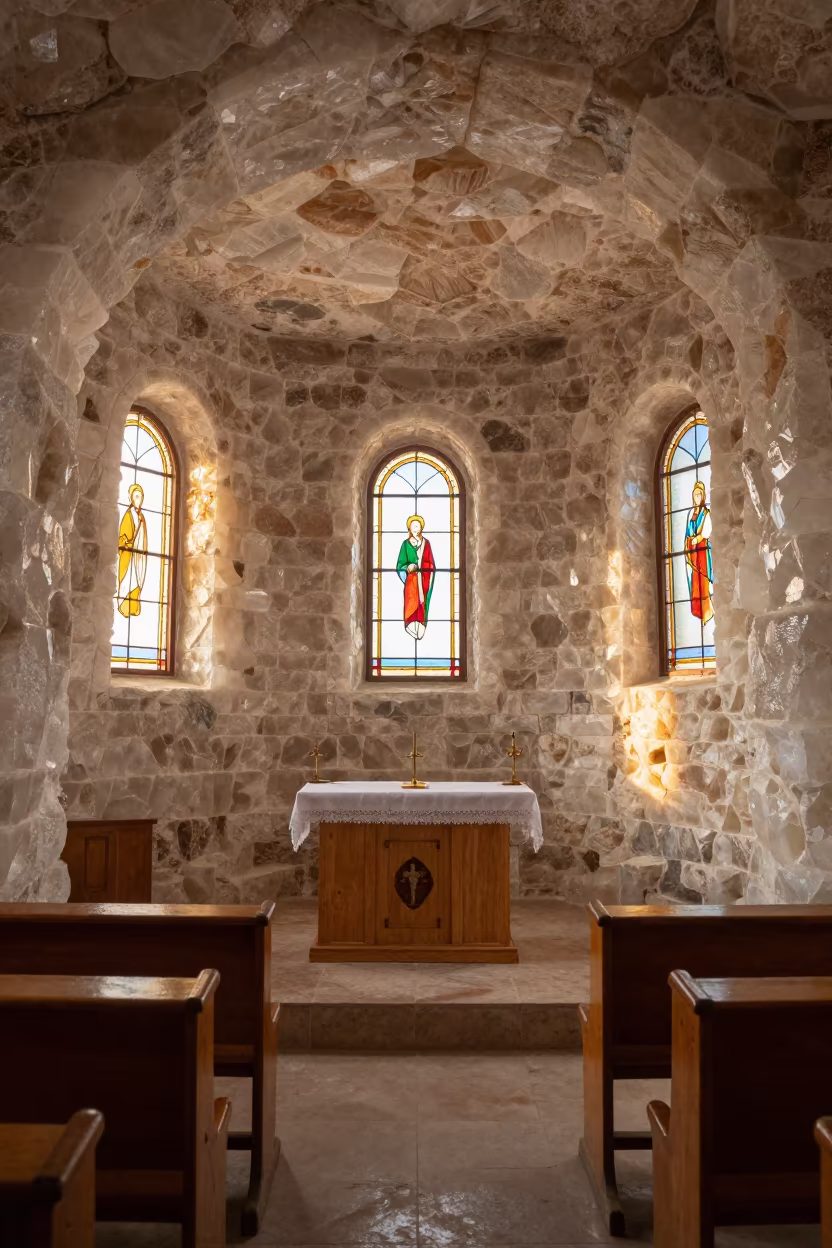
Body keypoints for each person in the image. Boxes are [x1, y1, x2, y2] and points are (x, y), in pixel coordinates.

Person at [396, 514, 435, 640]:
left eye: (418, 526)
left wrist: (421, 567)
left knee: (422, 604)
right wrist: (408, 568)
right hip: (411, 582)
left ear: (421, 528)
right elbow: (400, 565)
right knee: (411, 603)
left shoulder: (426, 543)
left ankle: (421, 623)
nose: (415, 529)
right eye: (413, 526)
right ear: (409, 528)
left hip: (423, 581)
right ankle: (410, 624)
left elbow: (431, 564)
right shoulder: (405, 544)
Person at [116, 483, 148, 617]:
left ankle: (134, 608)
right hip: (128, 554)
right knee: (127, 581)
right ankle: (124, 608)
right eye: (136, 497)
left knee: (137, 580)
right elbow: (123, 536)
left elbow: (144, 537)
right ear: (131, 498)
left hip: (138, 554)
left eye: (140, 497)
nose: (138, 500)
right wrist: (127, 543)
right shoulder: (128, 515)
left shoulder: (142, 517)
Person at [685, 480, 713, 625]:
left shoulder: (706, 513)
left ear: (702, 497)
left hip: (701, 552)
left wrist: (698, 538)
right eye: (695, 495)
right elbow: (686, 534)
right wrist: (689, 542)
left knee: (703, 584)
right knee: (694, 584)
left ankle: (707, 612)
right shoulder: (691, 514)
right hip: (692, 553)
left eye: (699, 495)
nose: (697, 497)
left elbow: (706, 532)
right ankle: (698, 611)